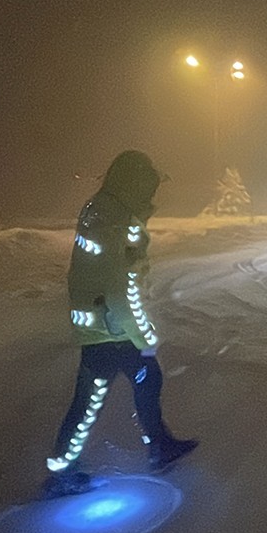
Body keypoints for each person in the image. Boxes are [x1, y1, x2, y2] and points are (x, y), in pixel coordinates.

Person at [44, 150, 197, 497]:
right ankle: (65, 470)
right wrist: (143, 336)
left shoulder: (100, 209)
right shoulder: (117, 220)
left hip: (97, 323)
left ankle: (156, 445)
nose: (152, 195)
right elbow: (119, 288)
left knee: (111, 390)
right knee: (108, 390)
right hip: (112, 328)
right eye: (149, 187)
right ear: (135, 185)